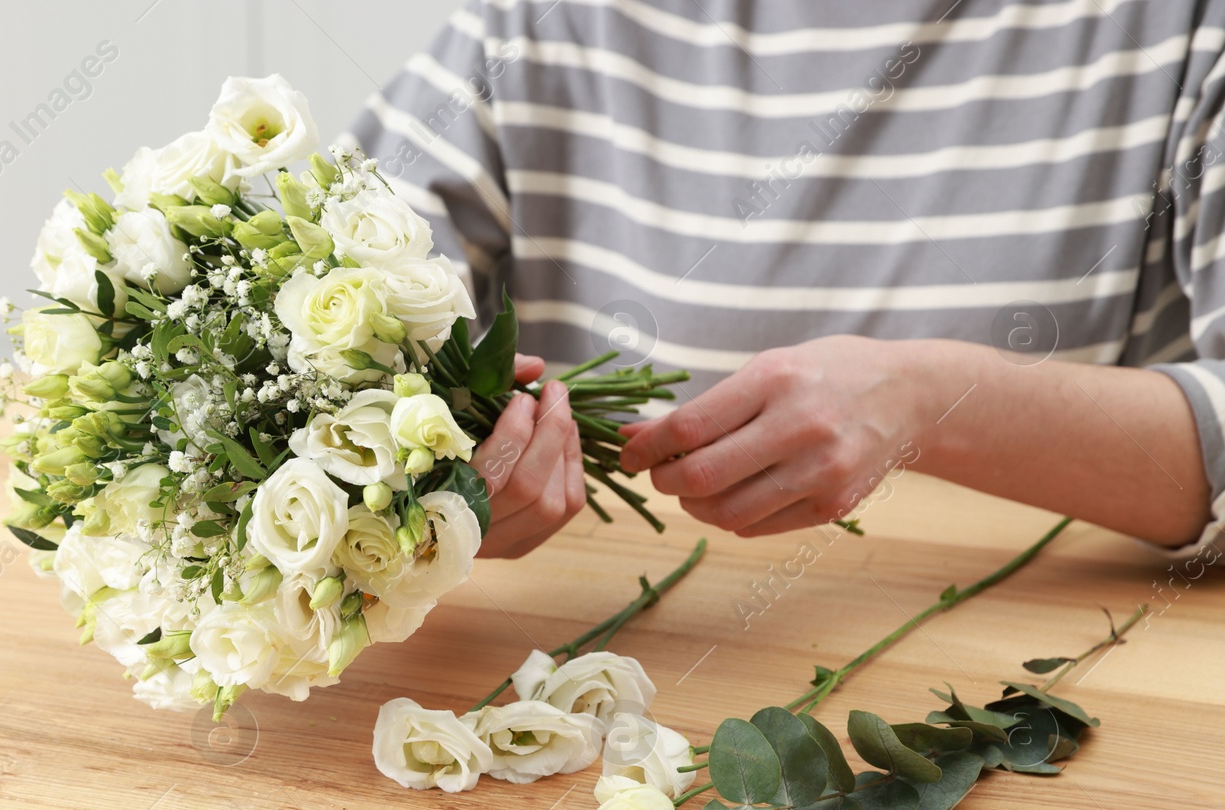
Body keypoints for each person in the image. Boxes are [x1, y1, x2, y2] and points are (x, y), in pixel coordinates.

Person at [349, 0, 1225, 559]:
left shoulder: (1178, 26)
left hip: (1040, 702)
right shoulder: (535, 20)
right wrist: (444, 484)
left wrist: (932, 402)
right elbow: (318, 295)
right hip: (595, 693)